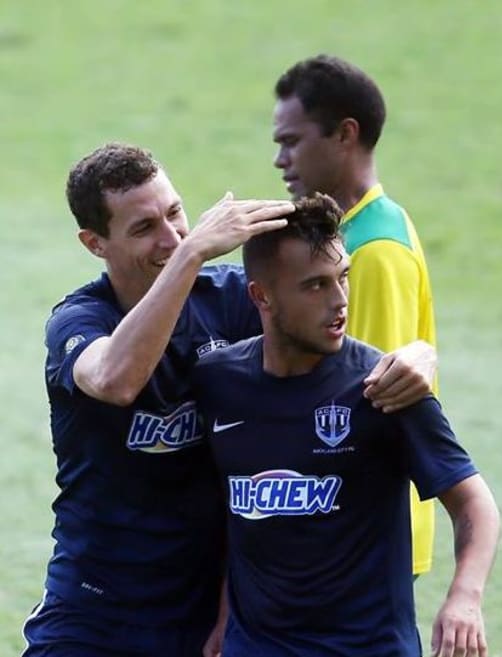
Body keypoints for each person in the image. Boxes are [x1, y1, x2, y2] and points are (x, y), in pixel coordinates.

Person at [23, 143, 434, 657]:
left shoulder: (234, 302)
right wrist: (192, 252)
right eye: (144, 227)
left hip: (210, 611)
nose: (171, 236)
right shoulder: (79, 321)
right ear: (94, 243)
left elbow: (338, 356)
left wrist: (418, 354)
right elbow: (115, 380)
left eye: (175, 213)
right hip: (96, 609)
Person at [190, 193, 499, 657]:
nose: (339, 301)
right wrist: (223, 614)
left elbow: (473, 502)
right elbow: (230, 517)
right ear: (261, 296)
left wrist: (465, 598)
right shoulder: (218, 382)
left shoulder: (384, 386)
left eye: (343, 277)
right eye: (315, 285)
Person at [271, 54, 441, 578]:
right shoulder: (355, 231)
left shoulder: (375, 250)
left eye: (292, 141)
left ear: (345, 134)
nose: (280, 159)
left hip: (364, 533)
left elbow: (370, 402)